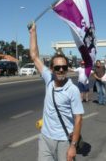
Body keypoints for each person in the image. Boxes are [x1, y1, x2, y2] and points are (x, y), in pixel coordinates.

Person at [29, 22, 84, 161]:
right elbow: (34, 56)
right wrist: (33, 32)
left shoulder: (72, 90)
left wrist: (73, 145)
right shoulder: (48, 78)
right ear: (52, 69)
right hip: (45, 139)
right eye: (57, 67)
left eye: (64, 67)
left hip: (64, 140)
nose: (61, 70)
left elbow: (78, 119)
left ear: (67, 68)